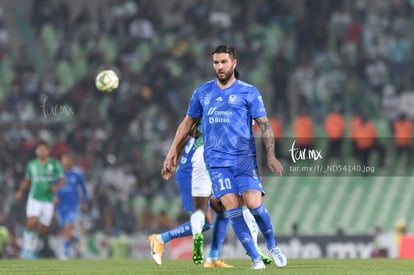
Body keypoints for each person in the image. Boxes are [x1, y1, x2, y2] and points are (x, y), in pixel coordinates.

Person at [162, 45, 287, 270]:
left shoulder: (249, 92)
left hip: (243, 158)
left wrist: (271, 155)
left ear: (234, 63)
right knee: (232, 209)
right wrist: (172, 151)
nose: (219, 67)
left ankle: (272, 245)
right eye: (216, 63)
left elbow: (264, 125)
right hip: (216, 162)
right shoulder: (202, 92)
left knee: (255, 205)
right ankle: (255, 259)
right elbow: (187, 123)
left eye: (223, 62)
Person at [149, 133, 272, 267]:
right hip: (192, 172)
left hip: (203, 168)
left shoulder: (202, 124)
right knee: (208, 221)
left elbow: (184, 140)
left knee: (225, 209)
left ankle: (213, 257)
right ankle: (160, 239)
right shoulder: (209, 124)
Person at [15, 140, 65, 259]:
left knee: (42, 227)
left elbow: (62, 180)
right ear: (36, 151)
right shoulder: (31, 165)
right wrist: (20, 192)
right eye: (40, 149)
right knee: (32, 221)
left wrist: (56, 188)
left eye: (44, 149)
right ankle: (26, 248)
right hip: (35, 198)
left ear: (48, 151)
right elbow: (27, 180)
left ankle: (35, 247)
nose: (42, 151)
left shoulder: (55, 164)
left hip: (48, 200)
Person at [55, 153, 89, 259]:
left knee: (68, 227)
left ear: (71, 161)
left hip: (72, 206)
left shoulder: (77, 174)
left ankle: (64, 253)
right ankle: (77, 240)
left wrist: (85, 201)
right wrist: (54, 197)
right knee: (65, 231)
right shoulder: (57, 175)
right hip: (60, 207)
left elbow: (84, 189)